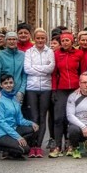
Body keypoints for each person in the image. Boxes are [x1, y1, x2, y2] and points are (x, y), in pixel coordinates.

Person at [50, 31, 84, 157]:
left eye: (67, 41)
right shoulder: (56, 54)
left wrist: (82, 88)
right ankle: (58, 145)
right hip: (61, 89)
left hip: (75, 89)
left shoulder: (78, 53)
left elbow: (82, 71)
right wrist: (54, 90)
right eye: (63, 41)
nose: (65, 43)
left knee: (73, 118)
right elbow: (53, 74)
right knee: (58, 118)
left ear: (72, 42)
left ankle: (71, 145)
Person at [0, 74, 39, 161]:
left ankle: (11, 152)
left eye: (10, 82)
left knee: (32, 129)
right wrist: (18, 137)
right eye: (5, 83)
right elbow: (2, 122)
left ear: (14, 84)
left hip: (13, 129)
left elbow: (20, 120)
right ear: (1, 85)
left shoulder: (14, 98)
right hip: (1, 133)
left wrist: (31, 123)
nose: (8, 85)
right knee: (25, 150)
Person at [23, 28, 55, 158]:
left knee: (42, 117)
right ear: (34, 39)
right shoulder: (29, 52)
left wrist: (36, 68)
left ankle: (39, 146)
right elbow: (27, 69)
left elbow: (51, 68)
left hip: (46, 88)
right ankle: (32, 145)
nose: (40, 40)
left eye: (43, 38)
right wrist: (43, 69)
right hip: (32, 88)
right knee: (33, 117)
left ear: (46, 39)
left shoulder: (50, 52)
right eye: (38, 38)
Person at [0, 31, 27, 107]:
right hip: (4, 92)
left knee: (17, 115)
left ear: (17, 41)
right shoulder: (0, 55)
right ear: (5, 41)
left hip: (18, 92)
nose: (12, 41)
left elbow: (24, 75)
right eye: (9, 39)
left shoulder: (22, 55)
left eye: (14, 39)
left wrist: (21, 91)